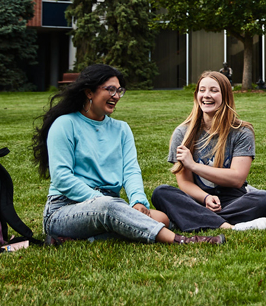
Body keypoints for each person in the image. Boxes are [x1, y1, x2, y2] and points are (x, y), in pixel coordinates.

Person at [32, 64, 223, 245]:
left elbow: (131, 170)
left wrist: (138, 201)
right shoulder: (65, 124)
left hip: (112, 206)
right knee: (110, 208)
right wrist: (104, 201)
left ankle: (83, 239)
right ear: (89, 92)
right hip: (64, 210)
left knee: (162, 218)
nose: (116, 96)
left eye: (119, 91)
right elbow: (62, 178)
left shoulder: (121, 129)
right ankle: (181, 240)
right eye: (110, 90)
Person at [151, 71, 266, 232]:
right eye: (202, 90)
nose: (206, 95)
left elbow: (237, 179)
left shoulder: (242, 132)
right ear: (196, 95)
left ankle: (190, 218)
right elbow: (184, 183)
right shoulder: (182, 133)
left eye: (213, 90)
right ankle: (228, 226)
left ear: (226, 96)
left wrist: (194, 166)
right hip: (197, 199)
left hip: (232, 199)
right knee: (161, 193)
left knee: (265, 199)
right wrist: (206, 197)